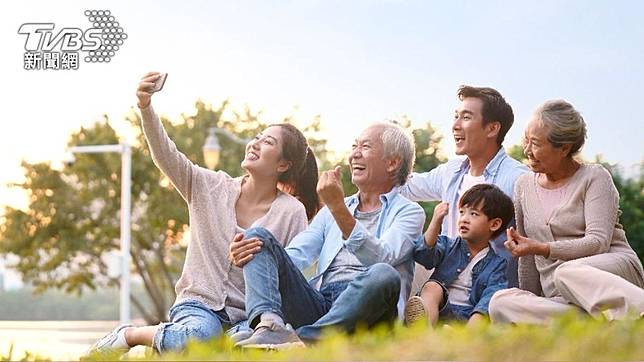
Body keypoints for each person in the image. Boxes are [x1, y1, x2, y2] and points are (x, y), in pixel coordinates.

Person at [87, 72, 320, 356]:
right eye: (257, 137)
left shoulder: (291, 212)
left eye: (268, 142)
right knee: (201, 335)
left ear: (283, 164)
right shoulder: (209, 186)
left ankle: (179, 343)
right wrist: (146, 107)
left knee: (247, 345)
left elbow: (289, 275)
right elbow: (166, 154)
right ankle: (130, 334)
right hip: (198, 305)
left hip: (249, 316)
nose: (255, 143)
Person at [229, 122, 425, 348]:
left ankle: (301, 339)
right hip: (322, 303)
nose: (354, 155)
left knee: (383, 274)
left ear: (392, 162)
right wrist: (258, 255)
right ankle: (269, 326)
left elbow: (382, 258)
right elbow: (294, 256)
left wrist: (338, 208)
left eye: (365, 147)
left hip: (369, 308)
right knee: (258, 236)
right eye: (354, 146)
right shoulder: (330, 213)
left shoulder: (410, 212)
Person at [489, 100, 644, 324]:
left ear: (564, 148)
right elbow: (528, 258)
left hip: (610, 272)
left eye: (535, 143)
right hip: (561, 294)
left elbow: (597, 242)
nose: (526, 151)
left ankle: (638, 310)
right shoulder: (523, 185)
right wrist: (529, 297)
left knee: (566, 272)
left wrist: (543, 248)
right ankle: (593, 321)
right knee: (500, 302)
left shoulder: (595, 177)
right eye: (526, 140)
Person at [399, 85, 527, 288]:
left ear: (492, 128)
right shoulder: (451, 171)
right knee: (401, 258)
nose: (455, 125)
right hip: (446, 278)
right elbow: (403, 186)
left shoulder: (518, 179)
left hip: (489, 286)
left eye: (466, 117)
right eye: (455, 116)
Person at [404, 184, 513, 326]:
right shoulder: (448, 245)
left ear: (494, 224)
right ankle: (425, 331)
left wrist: (478, 316)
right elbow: (424, 256)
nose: (464, 219)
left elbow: (490, 296)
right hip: (439, 308)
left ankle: (464, 336)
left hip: (470, 315)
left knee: (488, 304)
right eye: (462, 212)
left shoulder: (497, 264)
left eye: (473, 214)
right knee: (432, 287)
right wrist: (436, 221)